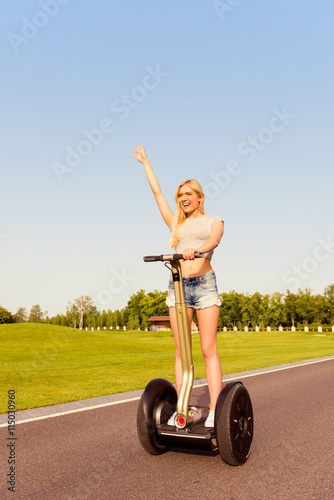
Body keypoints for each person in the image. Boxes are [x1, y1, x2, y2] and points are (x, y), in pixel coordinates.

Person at [133, 144, 224, 427]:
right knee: (181, 350)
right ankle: (181, 406)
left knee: (208, 348)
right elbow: (157, 193)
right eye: (180, 195)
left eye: (188, 194)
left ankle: (215, 410)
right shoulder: (175, 224)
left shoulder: (214, 221)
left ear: (199, 198)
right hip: (179, 288)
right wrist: (146, 163)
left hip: (205, 286)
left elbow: (213, 242)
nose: (183, 198)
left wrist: (196, 251)